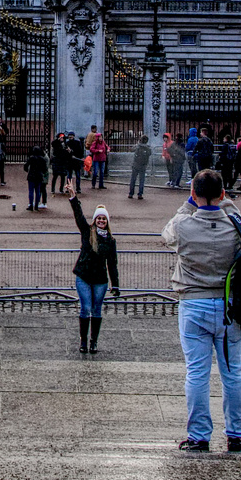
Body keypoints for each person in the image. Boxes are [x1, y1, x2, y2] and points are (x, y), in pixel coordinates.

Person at [161, 169, 241, 454]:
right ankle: (237, 434)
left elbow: (167, 233)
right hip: (229, 307)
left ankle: (199, 436)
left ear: (194, 194)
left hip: (194, 302)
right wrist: (225, 202)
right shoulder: (238, 225)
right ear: (223, 194)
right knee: (233, 373)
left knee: (197, 373)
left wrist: (189, 203)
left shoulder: (183, 226)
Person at [69, 196, 120, 354]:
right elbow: (79, 215)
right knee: (85, 308)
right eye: (99, 218)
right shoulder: (87, 231)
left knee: (96, 310)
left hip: (100, 280)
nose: (101, 221)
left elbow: (112, 264)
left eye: (104, 219)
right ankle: (83, 341)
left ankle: (94, 341)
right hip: (84, 276)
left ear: (107, 222)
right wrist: (73, 198)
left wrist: (115, 284)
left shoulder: (110, 241)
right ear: (95, 220)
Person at [24, 143, 48, 211]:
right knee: (38, 191)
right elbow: (45, 169)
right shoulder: (42, 159)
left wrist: (28, 171)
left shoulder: (31, 158)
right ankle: (36, 205)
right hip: (39, 176)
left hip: (31, 175)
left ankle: (31, 205)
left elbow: (25, 166)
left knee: (31, 191)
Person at [127, 134, 152, 200]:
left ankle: (131, 193)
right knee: (142, 180)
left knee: (133, 179)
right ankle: (140, 194)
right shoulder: (148, 147)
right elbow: (150, 153)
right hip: (143, 165)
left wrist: (138, 143)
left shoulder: (138, 146)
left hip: (136, 164)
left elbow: (131, 149)